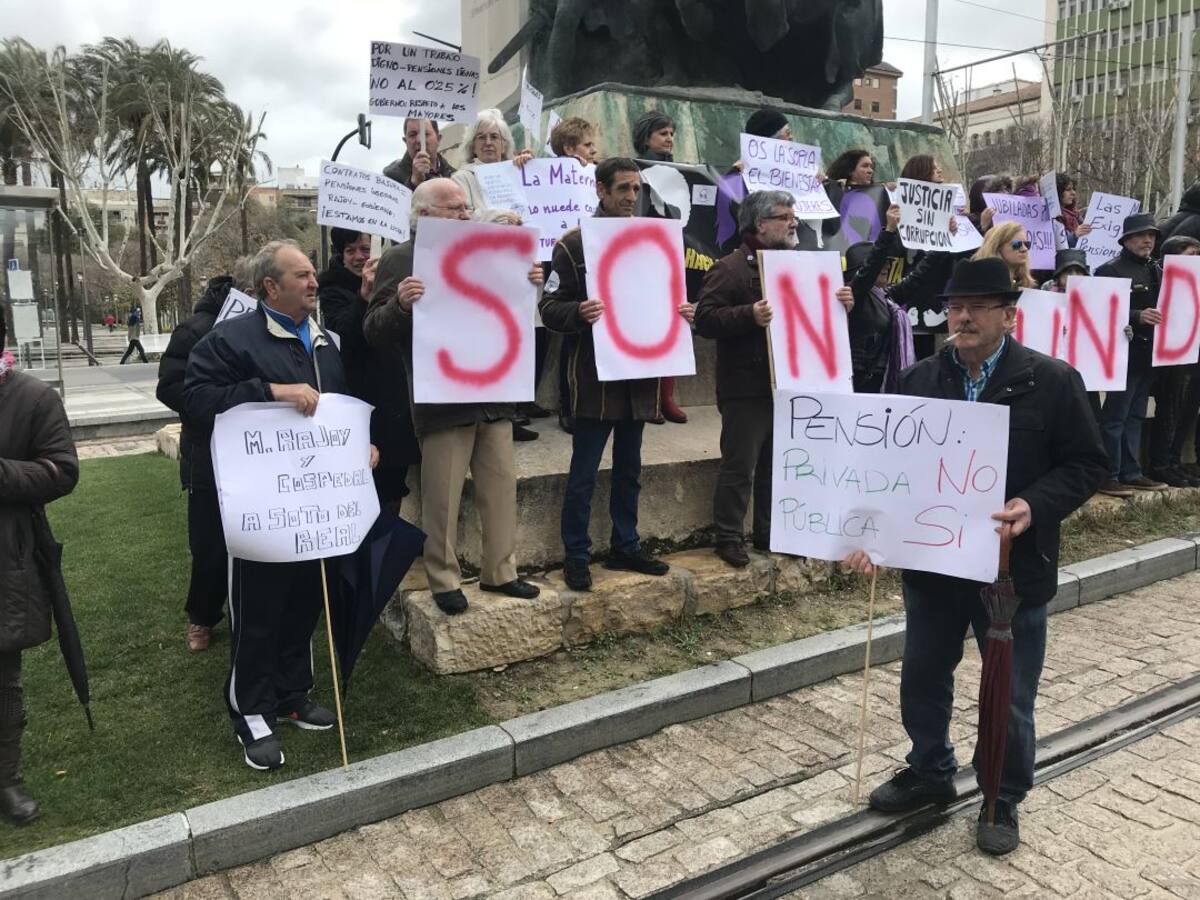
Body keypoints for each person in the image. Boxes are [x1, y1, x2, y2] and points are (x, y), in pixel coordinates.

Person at [845, 256, 1107, 857]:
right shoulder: (917, 379)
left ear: (1009, 316)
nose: (962, 317)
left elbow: (1088, 464)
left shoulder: (1053, 380)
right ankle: (930, 770)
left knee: (1008, 692)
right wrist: (873, 534)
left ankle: (1001, 795)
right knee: (922, 675)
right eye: (955, 307)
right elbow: (890, 469)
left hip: (1011, 569)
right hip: (934, 565)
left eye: (977, 308)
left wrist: (1034, 504)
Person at [184, 239, 373, 771]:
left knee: (305, 603)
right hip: (264, 506)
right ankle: (250, 708)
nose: (314, 283)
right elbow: (195, 401)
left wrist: (360, 446)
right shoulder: (230, 340)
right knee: (259, 610)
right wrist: (269, 391)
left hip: (315, 505)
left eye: (313, 274)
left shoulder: (325, 341)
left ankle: (291, 693)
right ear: (271, 287)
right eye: (302, 275)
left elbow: (334, 410)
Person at [364, 179, 542, 615]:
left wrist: (531, 282)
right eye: (454, 209)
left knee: (500, 487)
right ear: (424, 215)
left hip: (494, 393)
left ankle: (501, 571)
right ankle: (443, 579)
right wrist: (400, 305)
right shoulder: (401, 258)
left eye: (466, 208)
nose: (465, 215)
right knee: (442, 496)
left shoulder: (489, 250)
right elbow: (373, 330)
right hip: (442, 400)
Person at [540, 158, 686, 590]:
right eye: (622, 188)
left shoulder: (654, 240)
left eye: (636, 189)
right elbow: (549, 308)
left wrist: (681, 312)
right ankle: (576, 554)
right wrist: (578, 311)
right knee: (583, 473)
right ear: (601, 191)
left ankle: (626, 545)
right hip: (593, 380)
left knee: (630, 468)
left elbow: (666, 297)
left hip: (639, 376)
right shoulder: (573, 245)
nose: (630, 197)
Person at [695, 189, 853, 568]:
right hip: (746, 387)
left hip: (789, 383)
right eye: (785, 217)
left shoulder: (802, 267)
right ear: (760, 224)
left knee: (776, 465)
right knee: (740, 465)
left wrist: (841, 304)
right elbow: (705, 319)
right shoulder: (730, 269)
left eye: (794, 216)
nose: (793, 223)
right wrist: (748, 314)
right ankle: (729, 536)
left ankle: (770, 533)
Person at [0, 312, 79, 823]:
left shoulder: (32, 397)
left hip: (6, 556)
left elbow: (61, 470)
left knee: (3, 675)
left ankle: (5, 777)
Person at [156, 261, 250, 652]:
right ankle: (202, 616)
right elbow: (170, 386)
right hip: (207, 454)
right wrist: (219, 403)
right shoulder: (196, 328)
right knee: (210, 545)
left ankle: (251, 612)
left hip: (257, 455)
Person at [318, 228, 421, 503]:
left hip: (399, 394)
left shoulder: (395, 277)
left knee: (394, 485)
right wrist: (363, 299)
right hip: (364, 395)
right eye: (350, 250)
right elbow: (343, 337)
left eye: (365, 249)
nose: (359, 257)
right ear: (341, 254)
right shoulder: (332, 288)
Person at [1096, 213, 1169, 496]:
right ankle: (1108, 474)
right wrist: (1136, 315)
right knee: (1116, 416)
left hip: (1148, 354)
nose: (1147, 240)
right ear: (1126, 239)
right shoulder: (1110, 270)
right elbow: (1098, 309)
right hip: (1122, 354)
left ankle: (1131, 472)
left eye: (1151, 235)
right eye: (1141, 235)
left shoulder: (1156, 269)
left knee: (1135, 414)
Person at [548, 116, 601, 435]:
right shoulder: (550, 176)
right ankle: (567, 406)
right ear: (569, 149)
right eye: (587, 145)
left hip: (592, 258)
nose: (593, 151)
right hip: (564, 262)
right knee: (569, 339)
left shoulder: (594, 175)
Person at [1146, 235, 1200, 488]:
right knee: (1170, 410)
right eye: (1191, 255)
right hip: (1173, 357)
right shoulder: (1160, 279)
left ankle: (1175, 461)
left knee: (1188, 410)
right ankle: (1161, 463)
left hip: (1194, 354)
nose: (1196, 260)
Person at [845, 204, 916, 393]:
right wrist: (889, 230)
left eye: (887, 263)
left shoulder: (887, 299)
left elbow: (920, 277)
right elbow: (869, 270)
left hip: (882, 381)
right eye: (881, 263)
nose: (886, 266)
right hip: (859, 381)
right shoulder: (855, 294)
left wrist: (945, 245)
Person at [451, 108, 534, 216]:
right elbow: (463, 216)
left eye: (494, 137)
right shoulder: (462, 178)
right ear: (473, 146)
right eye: (481, 137)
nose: (488, 142)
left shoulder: (517, 171)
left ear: (504, 145)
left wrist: (531, 168)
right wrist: (499, 216)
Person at [383, 119, 456, 190]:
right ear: (405, 141)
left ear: (438, 139)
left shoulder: (455, 177)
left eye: (425, 134)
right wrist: (413, 184)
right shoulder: (391, 179)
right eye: (412, 135)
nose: (419, 140)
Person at [973, 222, 1037, 290]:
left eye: (1027, 244)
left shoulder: (1026, 284)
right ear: (997, 247)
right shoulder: (980, 283)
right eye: (1017, 244)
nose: (1025, 249)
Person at [1055, 174, 1093, 247]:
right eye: (1068, 190)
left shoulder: (1076, 215)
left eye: (1073, 189)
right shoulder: (1052, 217)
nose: (1073, 193)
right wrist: (1075, 236)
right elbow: (1058, 244)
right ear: (1058, 192)